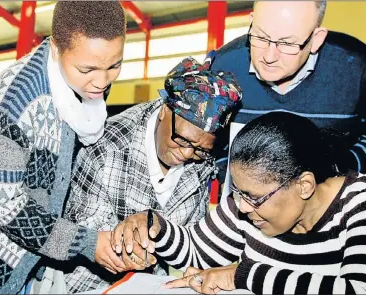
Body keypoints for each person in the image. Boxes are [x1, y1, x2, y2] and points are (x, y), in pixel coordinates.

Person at [112, 112, 366, 295]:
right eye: (238, 193)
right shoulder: (248, 207)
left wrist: (243, 274)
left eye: (253, 197)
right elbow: (195, 250)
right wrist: (154, 226)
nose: (240, 207)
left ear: (304, 185)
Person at [0, 2, 127, 294]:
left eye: (114, 65)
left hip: (31, 252)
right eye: (87, 69)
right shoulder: (11, 103)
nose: (102, 82)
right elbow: (3, 206)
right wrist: (86, 242)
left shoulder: (84, 84)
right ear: (55, 48)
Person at [61, 56, 242, 293]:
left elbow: (193, 238)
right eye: (181, 139)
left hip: (149, 285)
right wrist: (129, 250)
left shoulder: (202, 158)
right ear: (164, 109)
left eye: (200, 149)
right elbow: (86, 235)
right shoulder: (105, 148)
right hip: (85, 285)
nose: (187, 153)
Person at [208, 0, 366, 190]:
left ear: (316, 39)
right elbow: (209, 141)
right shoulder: (223, 67)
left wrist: (336, 172)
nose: (269, 57)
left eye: (287, 44)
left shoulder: (363, 71)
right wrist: (234, 179)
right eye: (260, 36)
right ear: (251, 22)